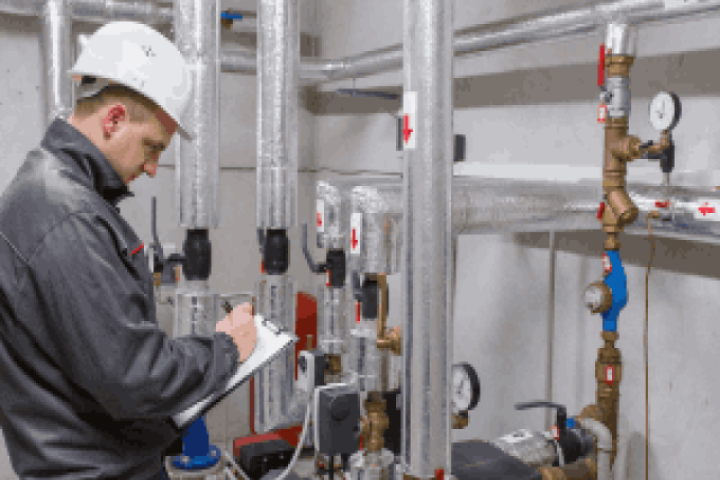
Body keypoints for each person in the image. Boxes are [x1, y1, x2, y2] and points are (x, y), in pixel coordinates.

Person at [0, 21, 257, 480]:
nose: (153, 167)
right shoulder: (68, 215)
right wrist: (227, 349)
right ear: (114, 119)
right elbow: (136, 377)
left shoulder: (51, 192)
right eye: (152, 147)